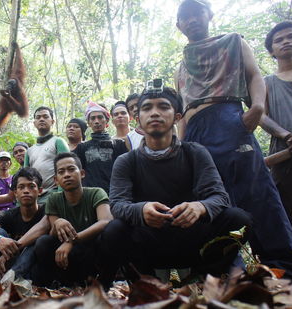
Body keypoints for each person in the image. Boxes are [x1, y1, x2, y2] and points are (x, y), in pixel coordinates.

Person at [174, 0, 292, 278]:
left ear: (208, 15)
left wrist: (257, 109)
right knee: (211, 200)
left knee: (258, 193)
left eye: (196, 13)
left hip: (229, 117)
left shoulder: (233, 42)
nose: (191, 20)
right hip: (196, 131)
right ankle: (228, 273)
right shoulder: (181, 66)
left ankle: (288, 271)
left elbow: (254, 75)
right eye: (185, 17)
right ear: (179, 25)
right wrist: (183, 147)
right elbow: (184, 113)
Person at [107, 86, 252, 284]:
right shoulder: (126, 161)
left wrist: (200, 207)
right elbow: (116, 205)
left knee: (238, 218)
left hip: (193, 241)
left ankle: (204, 278)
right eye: (147, 108)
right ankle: (145, 283)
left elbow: (219, 197)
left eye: (163, 107)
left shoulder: (195, 153)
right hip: (150, 243)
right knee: (114, 230)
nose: (155, 113)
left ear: (176, 117)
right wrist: (141, 210)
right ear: (138, 119)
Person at [32, 152, 114, 287]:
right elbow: (54, 233)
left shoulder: (96, 193)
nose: (66, 175)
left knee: (112, 231)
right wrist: (57, 222)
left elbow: (106, 221)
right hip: (67, 257)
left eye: (71, 169)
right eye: (61, 172)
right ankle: (57, 283)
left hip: (91, 251)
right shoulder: (53, 199)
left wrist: (72, 241)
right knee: (43, 242)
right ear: (56, 180)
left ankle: (103, 283)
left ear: (82, 173)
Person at [260, 21, 292, 238]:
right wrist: (286, 135)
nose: (285, 42)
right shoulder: (266, 82)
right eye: (278, 40)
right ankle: (291, 268)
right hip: (285, 151)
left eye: (291, 36)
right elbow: (259, 114)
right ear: (271, 50)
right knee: (285, 211)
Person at [0, 167, 47, 279]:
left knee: (39, 240)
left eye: (31, 186)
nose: (26, 191)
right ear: (15, 193)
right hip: (11, 263)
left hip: (36, 267)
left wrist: (8, 253)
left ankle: (11, 278)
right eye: (21, 187)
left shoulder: (46, 211)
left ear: (40, 191)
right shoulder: (8, 215)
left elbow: (43, 228)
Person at [74, 102, 127, 194]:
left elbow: (125, 171)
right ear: (89, 123)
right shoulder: (82, 148)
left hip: (115, 194)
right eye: (93, 118)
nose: (96, 121)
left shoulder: (118, 144)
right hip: (91, 195)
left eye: (100, 117)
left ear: (106, 120)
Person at [24, 106, 69, 203]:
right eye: (38, 117)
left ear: (52, 122)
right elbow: (25, 176)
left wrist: (61, 195)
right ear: (34, 123)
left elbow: (67, 168)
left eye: (45, 117)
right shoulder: (29, 151)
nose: (41, 119)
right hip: (34, 197)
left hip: (54, 194)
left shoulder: (58, 142)